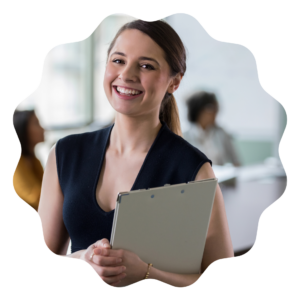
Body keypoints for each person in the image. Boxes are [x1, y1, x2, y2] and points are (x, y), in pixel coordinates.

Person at [38, 19, 234, 288]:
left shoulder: (194, 170)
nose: (127, 74)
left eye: (145, 66)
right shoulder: (64, 154)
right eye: (118, 60)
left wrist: (146, 273)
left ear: (174, 82)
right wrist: (81, 260)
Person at [184, 91, 240, 166]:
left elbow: (236, 162)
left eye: (216, 108)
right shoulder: (184, 136)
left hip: (221, 176)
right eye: (211, 108)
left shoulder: (222, 133)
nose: (215, 112)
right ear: (198, 109)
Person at [12, 109, 45, 212]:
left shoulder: (34, 160)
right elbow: (36, 198)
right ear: (23, 129)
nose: (43, 129)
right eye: (36, 123)